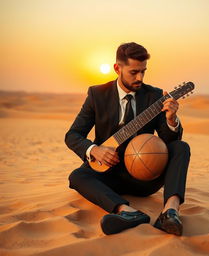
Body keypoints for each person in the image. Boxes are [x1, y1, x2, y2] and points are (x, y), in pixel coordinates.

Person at [65, 42, 190, 236]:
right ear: (117, 68)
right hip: (108, 176)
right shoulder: (97, 94)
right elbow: (73, 135)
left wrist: (171, 119)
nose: (139, 77)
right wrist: (94, 150)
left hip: (144, 176)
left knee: (181, 147)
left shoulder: (154, 96)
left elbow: (168, 140)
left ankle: (170, 212)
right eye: (134, 72)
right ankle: (127, 212)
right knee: (77, 176)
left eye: (143, 72)